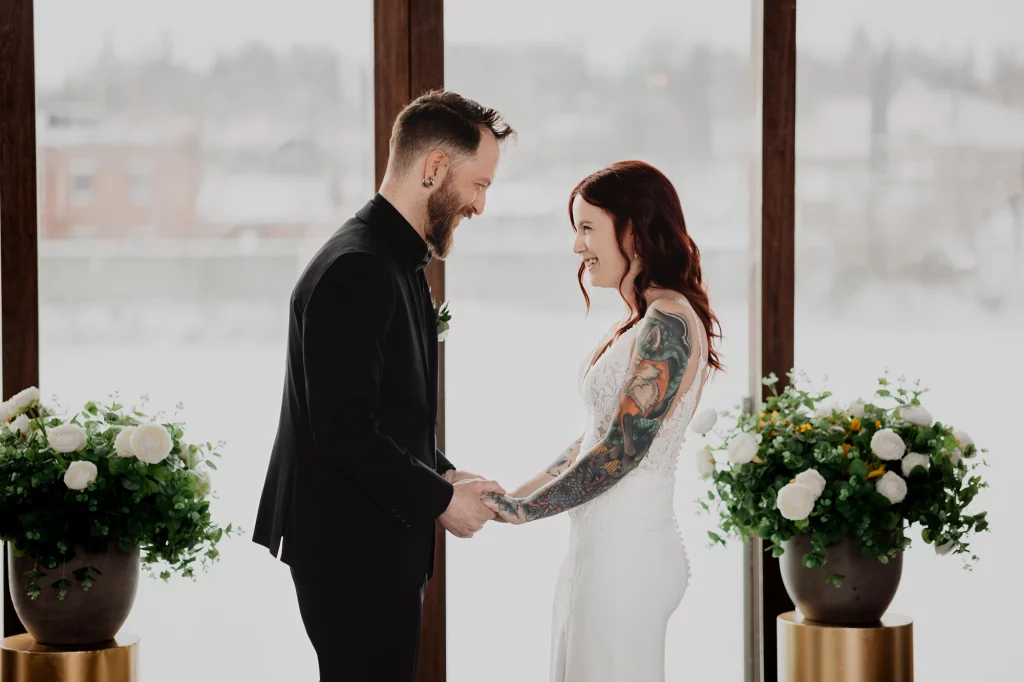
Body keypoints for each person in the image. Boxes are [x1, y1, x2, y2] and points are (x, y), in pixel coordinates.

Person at [253, 90, 515, 682]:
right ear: (434, 168)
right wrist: (443, 501)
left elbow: (386, 411)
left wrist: (444, 472)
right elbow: (344, 431)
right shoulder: (359, 267)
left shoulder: (389, 258)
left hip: (370, 540)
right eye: (479, 184)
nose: (480, 205)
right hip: (351, 551)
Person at [483, 160, 724, 682]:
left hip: (627, 557)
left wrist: (527, 511)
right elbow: (591, 440)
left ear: (633, 231)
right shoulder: (642, 319)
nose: (577, 246)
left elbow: (622, 450)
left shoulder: (668, 323)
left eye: (587, 227)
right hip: (600, 548)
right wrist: (510, 500)